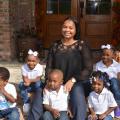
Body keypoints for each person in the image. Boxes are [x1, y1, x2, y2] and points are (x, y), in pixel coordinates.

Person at [45, 16, 93, 120]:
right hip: (58, 82)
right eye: (65, 27)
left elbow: (88, 69)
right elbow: (49, 67)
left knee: (76, 89)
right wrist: (47, 83)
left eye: (71, 28)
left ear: (76, 30)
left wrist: (73, 80)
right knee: (41, 91)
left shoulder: (81, 45)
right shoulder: (55, 46)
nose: (67, 30)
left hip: (78, 82)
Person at [93, 44, 120, 118]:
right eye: (103, 54)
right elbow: (95, 78)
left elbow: (118, 79)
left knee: (114, 81)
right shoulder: (98, 65)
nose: (105, 57)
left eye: (108, 55)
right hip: (104, 86)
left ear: (113, 56)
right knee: (101, 80)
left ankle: (117, 106)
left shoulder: (117, 66)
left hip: (115, 87)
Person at [19, 49, 44, 115]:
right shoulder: (24, 67)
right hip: (28, 83)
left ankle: (36, 98)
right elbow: (24, 78)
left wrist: (29, 80)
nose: (31, 63)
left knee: (39, 84)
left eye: (33, 61)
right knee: (21, 85)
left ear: (38, 61)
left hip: (35, 83)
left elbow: (38, 78)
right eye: (29, 61)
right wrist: (26, 82)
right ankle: (26, 102)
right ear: (26, 60)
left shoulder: (40, 67)